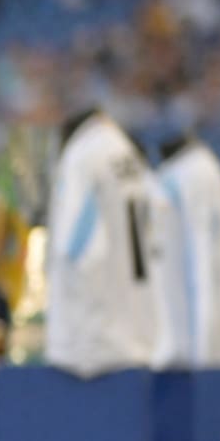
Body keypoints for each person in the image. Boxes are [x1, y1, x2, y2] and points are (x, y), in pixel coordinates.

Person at [45, 110, 165, 377]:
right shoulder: (126, 151)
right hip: (141, 336)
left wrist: (73, 339)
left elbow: (73, 248)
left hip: (96, 350)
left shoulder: (83, 156)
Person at [154, 136, 220, 368]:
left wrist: (205, 359)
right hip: (173, 357)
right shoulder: (172, 174)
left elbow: (204, 268)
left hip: (190, 359)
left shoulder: (197, 174)